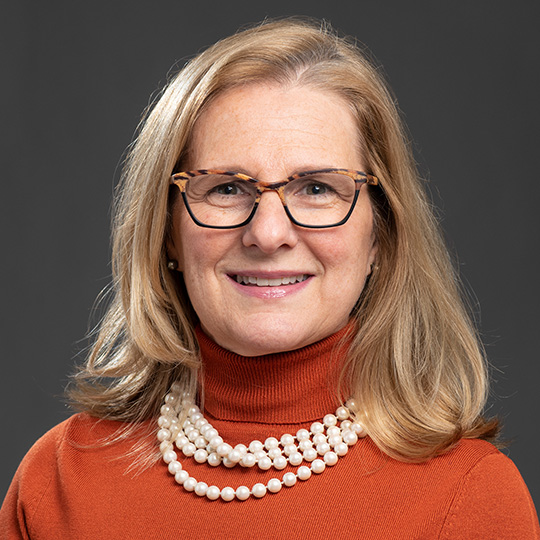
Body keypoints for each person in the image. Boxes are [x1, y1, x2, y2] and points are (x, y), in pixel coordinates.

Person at [1, 18, 538, 539]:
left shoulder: (470, 498)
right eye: (227, 188)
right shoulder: (59, 480)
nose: (268, 232)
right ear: (166, 232)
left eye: (318, 187)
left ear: (380, 236)